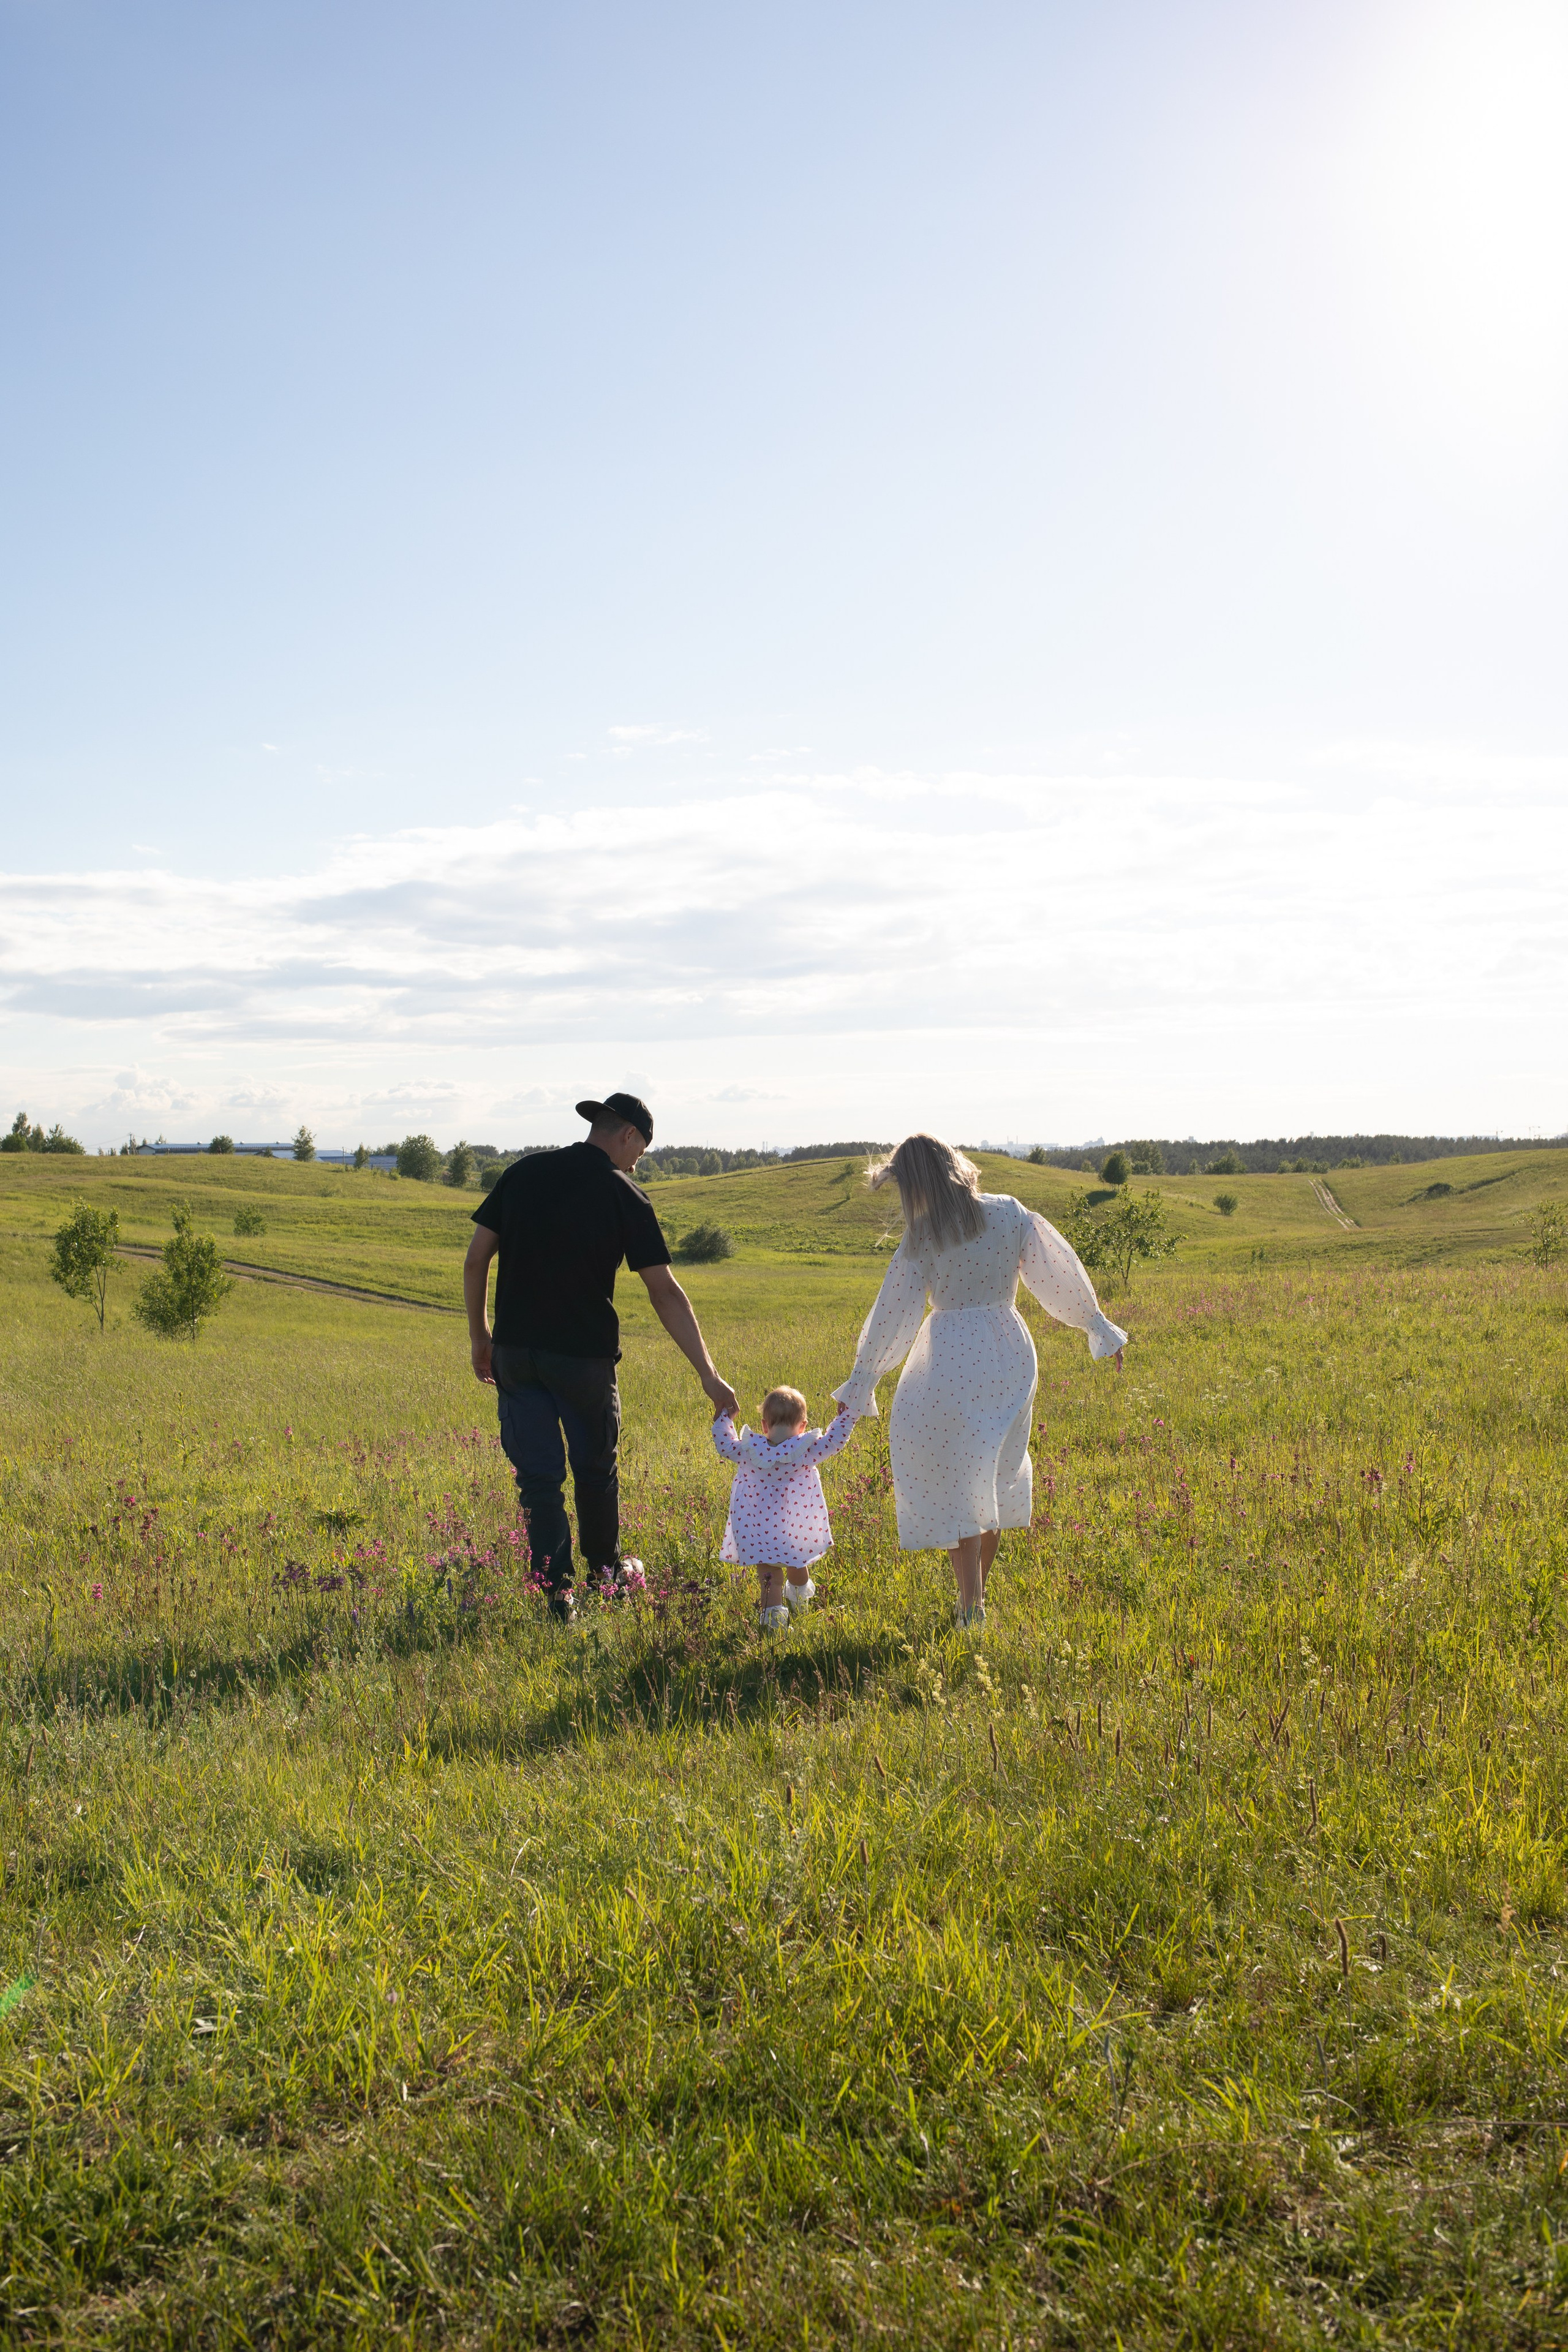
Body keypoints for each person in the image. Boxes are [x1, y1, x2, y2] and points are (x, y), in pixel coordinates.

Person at [831, 1134, 1126, 1634]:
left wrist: (863, 1381)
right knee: (988, 1474)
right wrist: (1096, 1325)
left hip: (950, 1353)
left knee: (958, 1479)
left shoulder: (923, 1234)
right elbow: (1057, 1273)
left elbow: (893, 1314)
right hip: (1009, 1349)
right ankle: (973, 1602)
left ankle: (972, 1608)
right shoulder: (1010, 1212)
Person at [464, 1091, 739, 1621]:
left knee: (538, 1479)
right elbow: (664, 1292)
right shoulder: (624, 1194)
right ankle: (606, 1576)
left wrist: (481, 1337)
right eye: (642, 1151)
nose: (639, 1162)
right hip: (583, 1359)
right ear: (628, 1135)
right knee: (594, 1469)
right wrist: (709, 1374)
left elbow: (477, 1260)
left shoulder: (523, 1173)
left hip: (516, 1354)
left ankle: (555, 1595)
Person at [711, 1385, 858, 1632]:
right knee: (798, 1563)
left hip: (756, 1529)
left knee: (770, 1577)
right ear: (803, 1426)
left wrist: (725, 1419)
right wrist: (846, 1415)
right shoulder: (807, 1449)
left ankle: (774, 1623)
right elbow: (835, 1441)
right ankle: (800, 1602)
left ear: (765, 1426)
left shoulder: (749, 1449)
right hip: (794, 1526)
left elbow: (725, 1444)